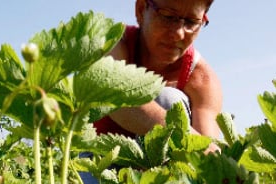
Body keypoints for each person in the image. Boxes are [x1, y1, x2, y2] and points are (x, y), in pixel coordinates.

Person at [94, 0, 222, 143]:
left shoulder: (201, 79)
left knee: (169, 99)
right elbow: (114, 96)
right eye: (167, 17)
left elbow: (207, 147)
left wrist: (206, 149)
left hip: (162, 164)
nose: (179, 34)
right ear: (141, 10)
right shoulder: (115, 41)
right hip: (99, 160)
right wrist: (186, 137)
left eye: (191, 22)